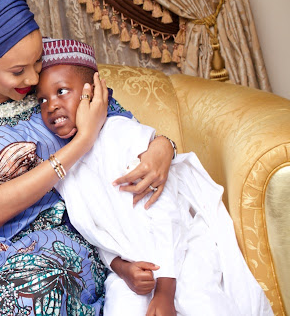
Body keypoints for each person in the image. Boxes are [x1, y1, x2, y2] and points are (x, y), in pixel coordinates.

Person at [0, 0, 175, 315]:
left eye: (37, 61)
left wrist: (164, 147)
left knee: (36, 292)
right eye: (18, 71)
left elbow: (123, 128)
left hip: (64, 244)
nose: (33, 78)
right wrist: (80, 144)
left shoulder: (51, 78)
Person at [36, 38, 273, 316]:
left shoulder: (121, 134)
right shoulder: (63, 167)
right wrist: (122, 268)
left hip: (180, 249)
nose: (51, 105)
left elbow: (166, 210)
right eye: (42, 100)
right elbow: (94, 232)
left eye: (61, 91)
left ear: (94, 92)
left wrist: (165, 290)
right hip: (131, 266)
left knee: (200, 302)